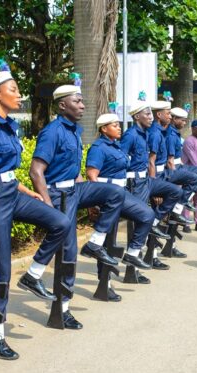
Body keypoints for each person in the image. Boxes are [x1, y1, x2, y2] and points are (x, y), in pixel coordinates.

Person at [0, 62, 71, 359]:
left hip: (12, 192)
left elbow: (6, 170)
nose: (19, 94)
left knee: (60, 223)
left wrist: (26, 190)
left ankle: (33, 275)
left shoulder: (12, 126)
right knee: (0, 269)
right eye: (13, 90)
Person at [29, 84, 125, 329]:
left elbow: (74, 172)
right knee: (68, 253)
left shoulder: (74, 131)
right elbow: (36, 172)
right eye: (78, 101)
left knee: (114, 193)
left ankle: (94, 243)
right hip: (58, 194)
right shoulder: (53, 132)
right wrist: (49, 209)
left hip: (74, 189)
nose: (83, 105)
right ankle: (62, 310)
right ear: (62, 105)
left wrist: (90, 197)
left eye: (82, 101)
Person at [86, 113, 171, 299]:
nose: (119, 128)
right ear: (103, 129)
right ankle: (104, 284)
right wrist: (94, 202)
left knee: (146, 215)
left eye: (119, 124)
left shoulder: (116, 146)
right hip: (106, 198)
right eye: (114, 125)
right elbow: (92, 175)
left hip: (121, 194)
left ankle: (132, 253)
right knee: (107, 242)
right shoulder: (99, 148)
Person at [121, 97, 193, 268]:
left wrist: (156, 187)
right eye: (147, 114)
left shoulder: (146, 133)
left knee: (175, 192)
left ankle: (155, 224)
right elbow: (123, 159)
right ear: (137, 117)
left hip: (147, 179)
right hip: (135, 181)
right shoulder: (130, 135)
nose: (150, 117)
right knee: (140, 219)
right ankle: (134, 263)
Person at [165, 108, 197, 220]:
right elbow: (171, 160)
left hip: (188, 171)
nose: (184, 123)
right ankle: (181, 219)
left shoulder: (178, 135)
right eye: (183, 120)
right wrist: (173, 179)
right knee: (185, 199)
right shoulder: (179, 137)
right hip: (181, 171)